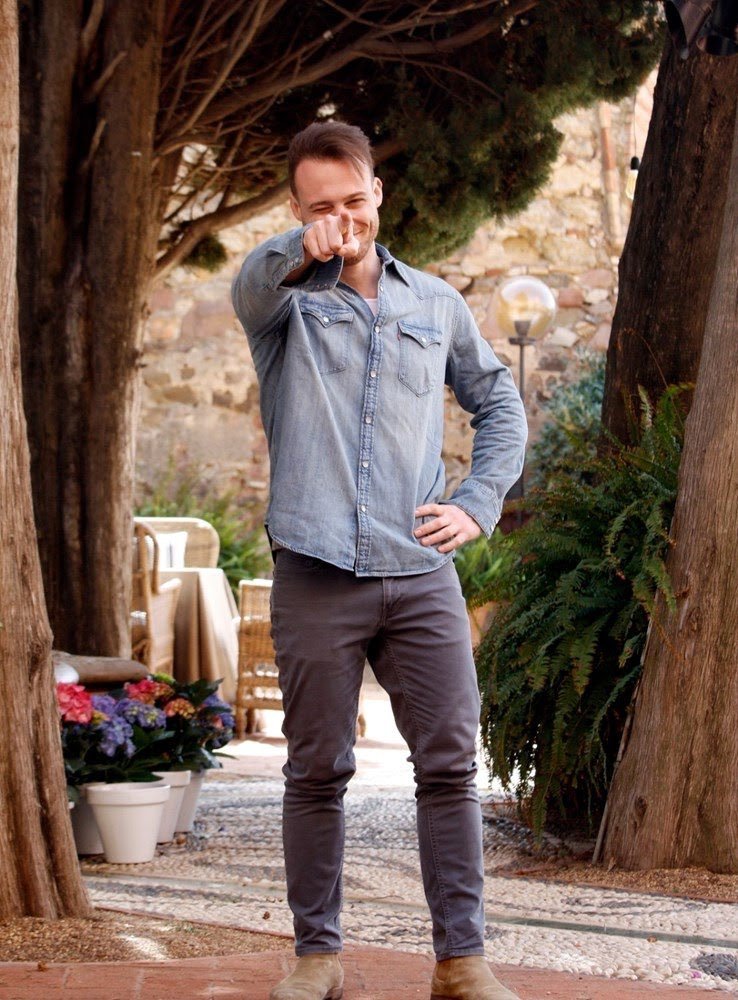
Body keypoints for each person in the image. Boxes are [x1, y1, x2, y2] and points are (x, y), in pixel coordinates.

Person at [231, 121, 526, 1000]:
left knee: (450, 765)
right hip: (315, 569)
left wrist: (476, 504)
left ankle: (462, 963)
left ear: (378, 194)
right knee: (317, 770)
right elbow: (250, 284)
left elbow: (499, 404)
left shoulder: (434, 303)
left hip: (420, 571)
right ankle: (316, 958)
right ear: (298, 209)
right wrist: (301, 249)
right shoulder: (282, 303)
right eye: (321, 206)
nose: (343, 219)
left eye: (355, 201)